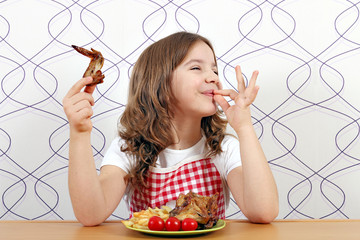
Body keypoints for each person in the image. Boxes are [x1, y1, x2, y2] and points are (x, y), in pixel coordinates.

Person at [63, 31, 279, 226]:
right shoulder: (128, 149)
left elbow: (263, 211)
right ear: (159, 83)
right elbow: (91, 214)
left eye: (214, 69)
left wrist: (244, 127)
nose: (213, 76)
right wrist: (80, 133)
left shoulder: (223, 148)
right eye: (196, 68)